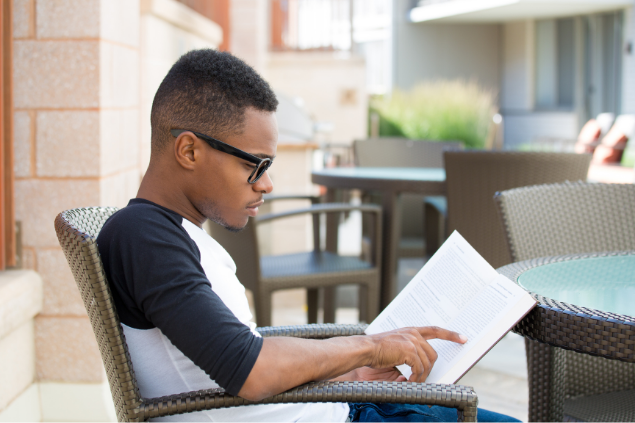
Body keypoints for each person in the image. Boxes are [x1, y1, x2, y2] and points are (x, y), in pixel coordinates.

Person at [97, 49, 519, 422]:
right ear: (189, 151)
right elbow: (250, 369)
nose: (266, 184)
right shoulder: (142, 235)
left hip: (337, 404)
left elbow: (239, 356)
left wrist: (349, 375)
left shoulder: (172, 235)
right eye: (256, 165)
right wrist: (368, 349)